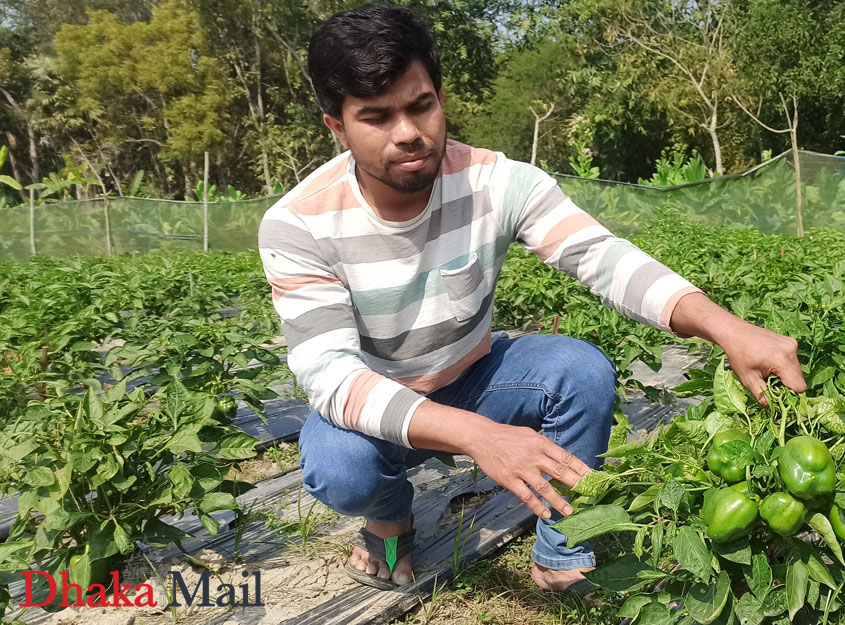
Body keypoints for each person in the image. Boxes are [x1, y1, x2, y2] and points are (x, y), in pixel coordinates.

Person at [257, 2, 807, 595]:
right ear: (336, 126)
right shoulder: (298, 225)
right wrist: (478, 437)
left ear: (440, 97)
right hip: (375, 407)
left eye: (421, 105)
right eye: (376, 116)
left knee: (580, 371)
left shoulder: (498, 182)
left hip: (473, 377)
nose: (409, 132)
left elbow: (603, 257)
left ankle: (560, 551)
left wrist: (729, 329)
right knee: (341, 468)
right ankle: (389, 516)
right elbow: (333, 378)